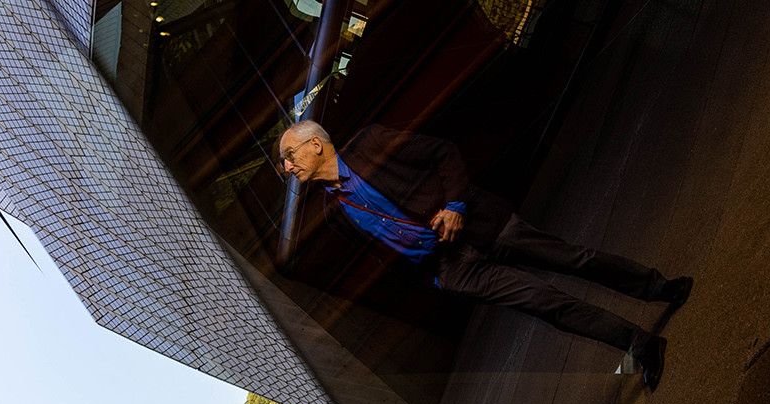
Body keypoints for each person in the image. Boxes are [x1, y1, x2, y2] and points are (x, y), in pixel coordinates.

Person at [277, 120, 692, 388]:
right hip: (454, 268)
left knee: (575, 259)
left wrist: (455, 206)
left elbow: (444, 152)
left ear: (315, 144)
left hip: (481, 224)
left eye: (289, 157)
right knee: (547, 304)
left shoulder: (371, 143)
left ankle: (659, 287)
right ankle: (641, 343)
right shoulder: (334, 211)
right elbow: (383, 257)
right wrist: (435, 279)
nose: (288, 168)